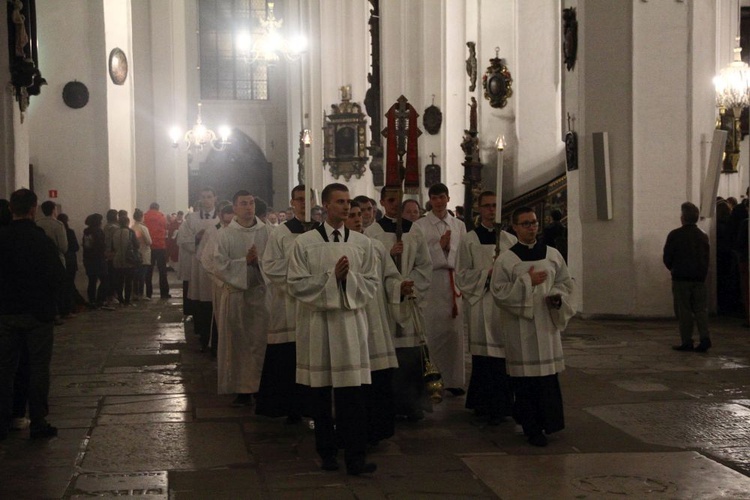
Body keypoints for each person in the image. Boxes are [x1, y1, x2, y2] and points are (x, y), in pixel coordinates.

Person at [288, 183, 379, 475]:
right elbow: (296, 284)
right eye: (339, 201)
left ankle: (356, 456)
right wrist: (331, 278)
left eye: (347, 201)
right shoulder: (305, 243)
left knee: (352, 395)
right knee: (321, 394)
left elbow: (371, 284)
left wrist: (347, 281)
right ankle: (326, 452)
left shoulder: (362, 244)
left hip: (350, 327)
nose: (345, 206)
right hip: (318, 327)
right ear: (326, 206)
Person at [490, 206, 575, 447]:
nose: (531, 228)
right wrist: (527, 281)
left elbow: (565, 283)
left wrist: (557, 297)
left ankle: (550, 422)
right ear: (515, 227)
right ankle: (531, 427)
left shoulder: (552, 254)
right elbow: (499, 293)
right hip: (521, 328)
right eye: (525, 224)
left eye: (534, 223)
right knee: (526, 381)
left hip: (546, 324)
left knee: (547, 379)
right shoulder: (507, 259)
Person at [0, 188, 65, 440]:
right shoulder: (40, 240)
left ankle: (3, 422)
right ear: (32, 209)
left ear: (10, 209)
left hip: (6, 312)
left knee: (5, 369)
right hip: (37, 314)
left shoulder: (2, 238)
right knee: (38, 368)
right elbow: (57, 277)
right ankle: (38, 421)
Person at [366, 187, 433, 421]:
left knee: (411, 353)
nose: (395, 204)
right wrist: (387, 253)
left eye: (399, 200)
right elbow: (368, 268)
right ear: (382, 202)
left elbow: (425, 264)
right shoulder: (371, 232)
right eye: (390, 200)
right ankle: (389, 405)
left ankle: (412, 403)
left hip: (408, 297)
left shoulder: (414, 230)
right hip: (384, 301)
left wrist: (407, 284)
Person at [456, 191, 516, 425]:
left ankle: (503, 404)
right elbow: (461, 274)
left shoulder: (510, 240)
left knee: (503, 357)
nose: (492, 210)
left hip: (503, 305)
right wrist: (487, 275)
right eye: (487, 206)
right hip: (481, 302)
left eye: (495, 206)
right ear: (479, 209)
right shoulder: (469, 239)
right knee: (484, 358)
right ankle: (482, 403)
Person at [257, 185, 316, 422]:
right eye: (299, 200)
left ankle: (312, 406)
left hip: (314, 304)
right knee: (287, 357)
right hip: (289, 304)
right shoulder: (280, 232)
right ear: (292, 203)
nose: (303, 203)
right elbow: (270, 265)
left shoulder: (322, 231)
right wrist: (301, 278)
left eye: (308, 199)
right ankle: (289, 408)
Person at [347, 199, 401, 445]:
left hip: (376, 319)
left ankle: (378, 429)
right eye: (352, 214)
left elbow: (390, 277)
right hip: (351, 317)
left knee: (378, 378)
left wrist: (400, 287)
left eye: (361, 214)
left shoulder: (377, 246)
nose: (359, 218)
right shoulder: (337, 246)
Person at [211, 191, 271, 407]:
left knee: (260, 343)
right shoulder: (225, 235)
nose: (249, 207)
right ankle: (242, 389)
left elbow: (275, 262)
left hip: (261, 296)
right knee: (239, 344)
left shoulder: (268, 231)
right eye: (243, 204)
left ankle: (261, 387)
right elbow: (219, 265)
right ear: (234, 208)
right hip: (237, 297)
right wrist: (244, 262)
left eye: (251, 203)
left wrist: (258, 263)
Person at [414, 183, 467, 396]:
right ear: (430, 200)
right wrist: (439, 248)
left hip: (454, 281)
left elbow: (463, 252)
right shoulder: (420, 225)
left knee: (454, 333)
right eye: (434, 198)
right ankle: (433, 379)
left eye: (442, 197)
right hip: (432, 282)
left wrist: (449, 249)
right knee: (433, 332)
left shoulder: (458, 225)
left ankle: (454, 380)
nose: (438, 202)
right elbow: (419, 255)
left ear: (448, 198)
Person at [663, 202, 711, 352]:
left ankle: (687, 341)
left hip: (681, 277)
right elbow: (706, 257)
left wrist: (674, 269)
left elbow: (667, 257)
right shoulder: (703, 236)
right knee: (700, 309)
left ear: (683, 218)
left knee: (683, 310)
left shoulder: (675, 235)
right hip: (699, 278)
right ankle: (704, 338)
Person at [178, 188, 219, 349]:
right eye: (203, 197)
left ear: (215, 198)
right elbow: (182, 239)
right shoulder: (192, 219)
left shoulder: (221, 218)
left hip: (216, 264)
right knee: (202, 300)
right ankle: (203, 334)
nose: (206, 200)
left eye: (209, 196)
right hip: (199, 266)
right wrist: (197, 238)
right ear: (200, 199)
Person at [143, 202, 171, 299]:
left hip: (149, 247)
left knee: (148, 271)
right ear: (158, 208)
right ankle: (164, 293)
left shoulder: (144, 217)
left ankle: (148, 293)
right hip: (160, 246)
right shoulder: (161, 217)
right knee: (162, 271)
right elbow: (166, 227)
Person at [111, 215, 139, 305]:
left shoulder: (115, 232)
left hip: (117, 259)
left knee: (119, 280)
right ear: (128, 222)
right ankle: (127, 300)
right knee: (128, 281)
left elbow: (112, 247)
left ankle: (120, 299)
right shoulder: (131, 232)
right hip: (129, 260)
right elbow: (136, 245)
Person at [82, 213, 109, 309]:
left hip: (88, 259)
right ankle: (100, 300)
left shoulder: (86, 232)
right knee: (105, 279)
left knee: (92, 281)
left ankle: (92, 301)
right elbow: (101, 245)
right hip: (98, 259)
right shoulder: (98, 231)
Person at [56, 213, 80, 317]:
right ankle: (69, 307)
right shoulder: (70, 232)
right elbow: (75, 247)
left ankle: (65, 307)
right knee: (70, 284)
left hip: (60, 260)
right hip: (70, 260)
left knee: (63, 285)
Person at [131, 209, 152, 301]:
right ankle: (141, 294)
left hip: (135, 254)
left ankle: (135, 293)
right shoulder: (143, 228)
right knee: (142, 275)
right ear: (141, 217)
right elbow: (149, 241)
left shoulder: (132, 227)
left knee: (135, 275)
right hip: (143, 253)